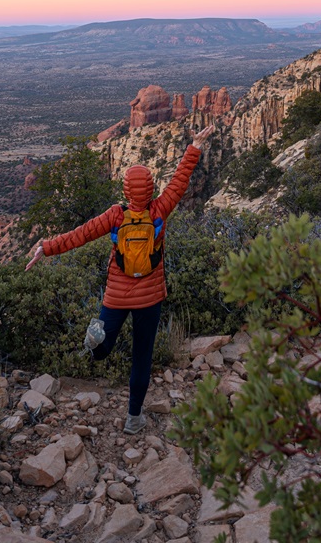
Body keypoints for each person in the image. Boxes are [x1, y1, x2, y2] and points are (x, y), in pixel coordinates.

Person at [25, 124, 215, 433]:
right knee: (142, 357)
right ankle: (133, 419)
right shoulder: (159, 212)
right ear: (151, 189)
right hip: (150, 297)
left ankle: (96, 342)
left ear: (126, 191)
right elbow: (181, 181)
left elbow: (80, 235)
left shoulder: (116, 215)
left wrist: (46, 248)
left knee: (102, 346)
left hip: (116, 294)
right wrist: (194, 145)